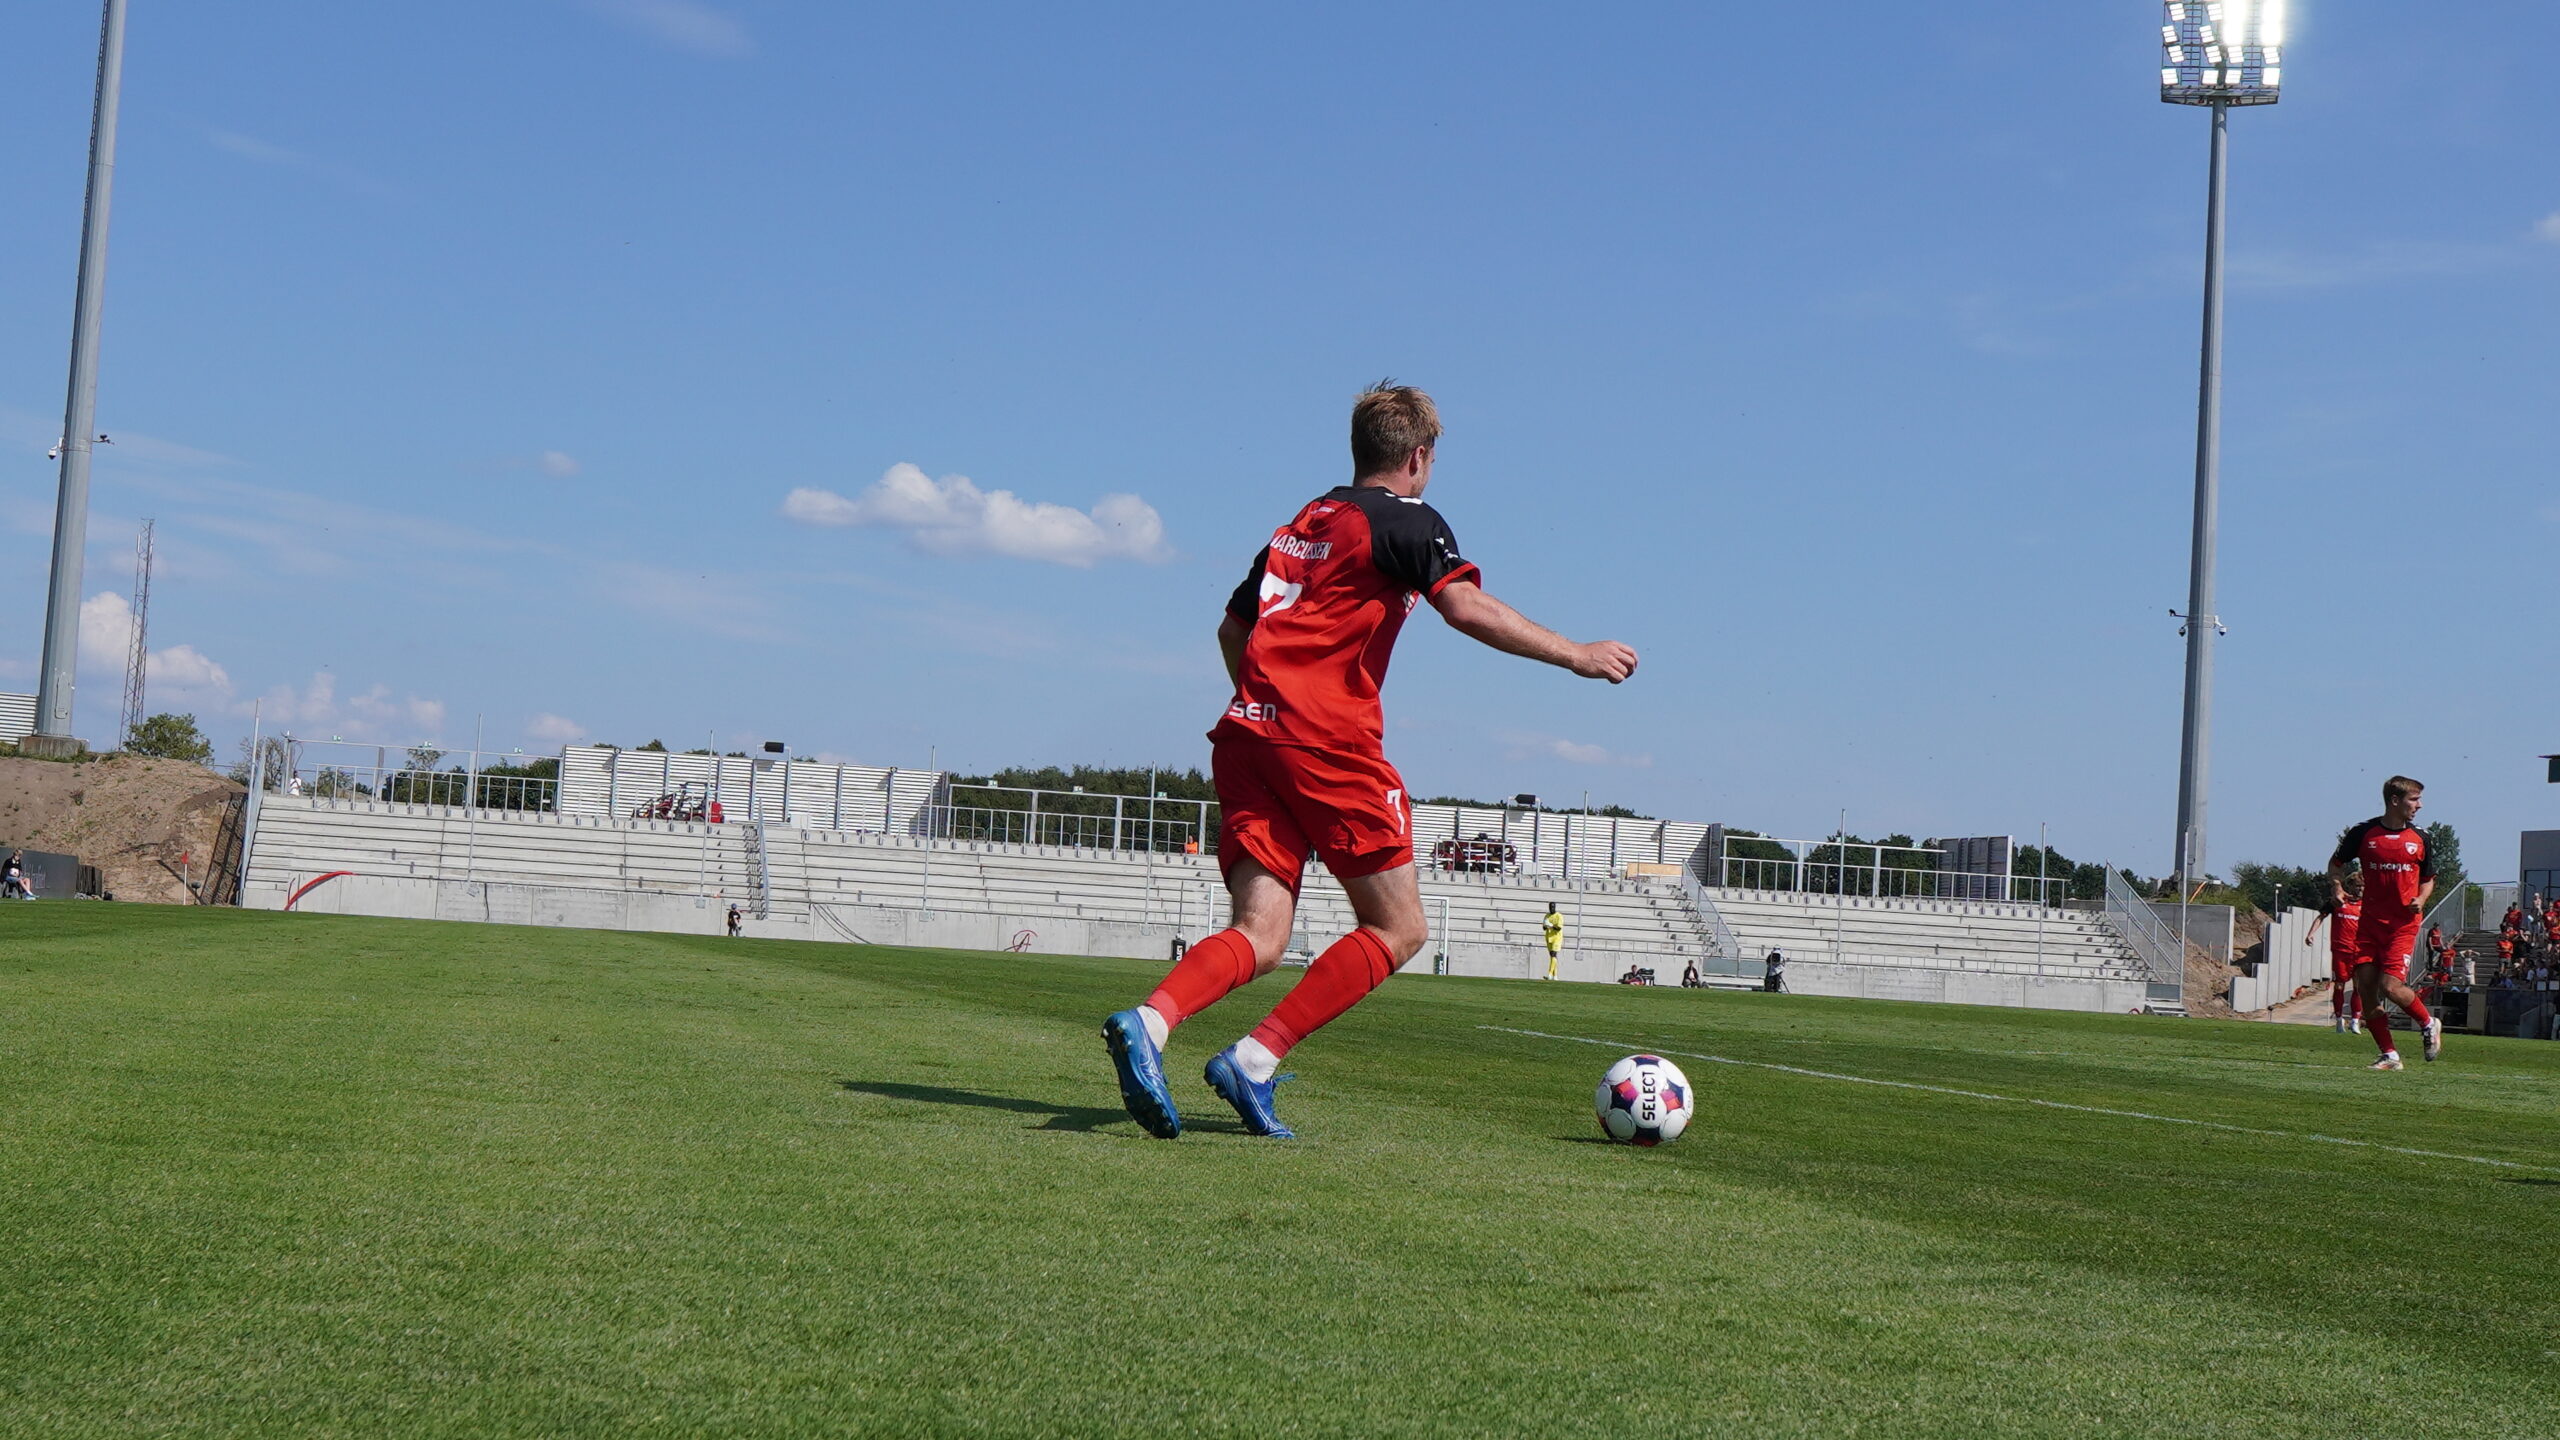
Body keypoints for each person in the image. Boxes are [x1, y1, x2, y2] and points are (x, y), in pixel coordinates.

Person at [1100, 381, 1638, 1140]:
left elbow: (1232, 628)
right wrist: (1577, 655)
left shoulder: (1300, 526)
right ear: (1418, 456)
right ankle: (1255, 1059)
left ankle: (1152, 1024)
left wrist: (1270, 708)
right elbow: (1465, 606)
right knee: (1399, 928)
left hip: (1249, 735)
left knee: (1262, 932)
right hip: (1328, 742)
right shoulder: (1407, 519)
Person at [2327, 775, 2442, 1070]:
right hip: (2370, 923)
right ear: (2395, 801)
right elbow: (2335, 864)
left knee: (2390, 986)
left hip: (2402, 925)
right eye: (2414, 800)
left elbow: (2428, 881)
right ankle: (2390, 1055)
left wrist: (2422, 898)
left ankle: (2429, 1023)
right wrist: (2337, 888)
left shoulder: (2421, 838)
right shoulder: (2363, 833)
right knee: (2365, 987)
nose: (2420, 805)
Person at [2304, 879, 2364, 1034]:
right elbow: (2321, 916)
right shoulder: (2338, 901)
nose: (2361, 889)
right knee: (2339, 985)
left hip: (2359, 951)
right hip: (2340, 950)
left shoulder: (2367, 904)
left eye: (2363, 886)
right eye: (2358, 886)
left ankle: (2355, 1020)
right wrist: (2310, 934)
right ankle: (2338, 1019)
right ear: (2350, 886)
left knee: (2359, 986)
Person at [1543, 903, 1564, 981]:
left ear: (1555, 907)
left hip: (1557, 938)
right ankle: (1555, 976)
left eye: (1553, 907)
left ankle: (1549, 974)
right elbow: (1544, 928)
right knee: (1552, 956)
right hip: (1548, 937)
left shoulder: (1559, 916)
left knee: (1554, 954)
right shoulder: (1547, 916)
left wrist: (1551, 925)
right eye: (1550, 907)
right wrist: (1545, 925)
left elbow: (1559, 928)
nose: (1551, 908)